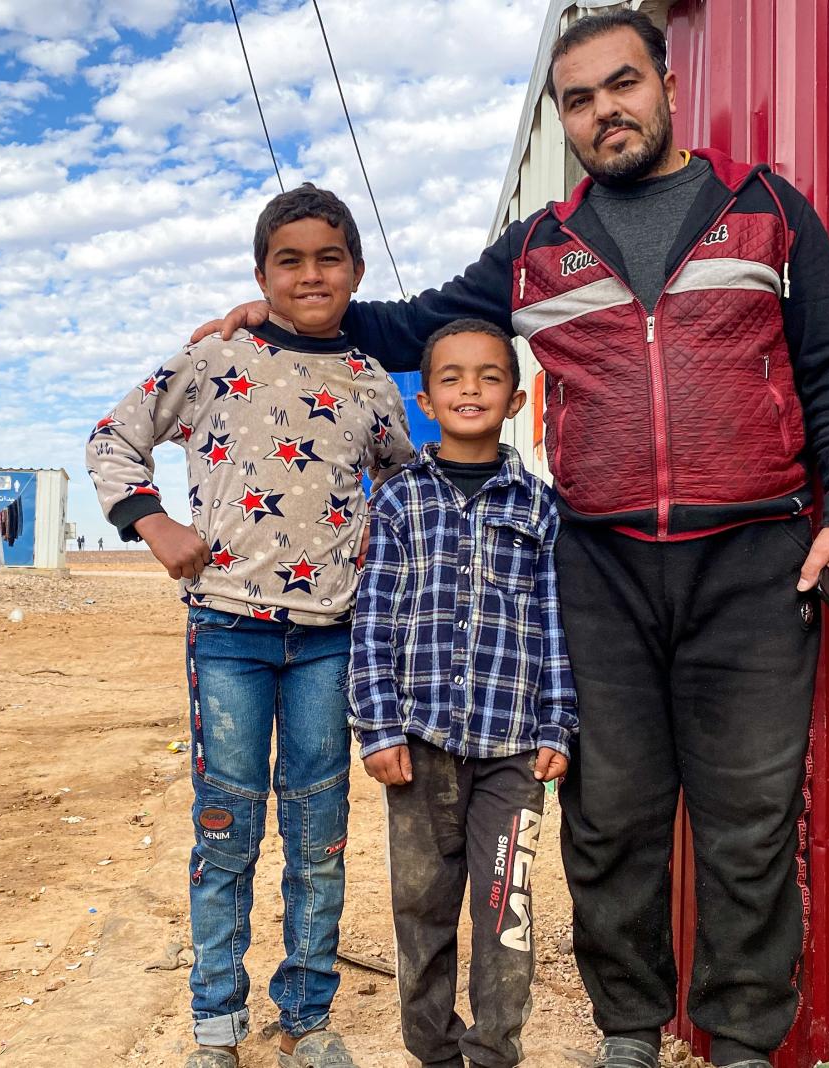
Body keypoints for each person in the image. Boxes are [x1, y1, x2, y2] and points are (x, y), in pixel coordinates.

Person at [198, 14, 829, 1067]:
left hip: (754, 559)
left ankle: (743, 1040)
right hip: (603, 565)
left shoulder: (765, 213)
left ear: (665, 84)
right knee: (611, 820)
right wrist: (301, 308)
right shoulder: (540, 249)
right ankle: (629, 1032)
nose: (603, 111)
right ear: (564, 117)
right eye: (578, 98)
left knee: (749, 818)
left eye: (622, 85)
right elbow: (418, 329)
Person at [88, 184, 415, 1068]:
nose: (311, 274)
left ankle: (307, 1017)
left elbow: (403, 485)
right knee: (226, 827)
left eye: (329, 258)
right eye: (289, 260)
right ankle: (216, 1024)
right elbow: (113, 437)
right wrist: (153, 524)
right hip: (228, 632)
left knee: (319, 833)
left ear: (355, 269)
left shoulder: (371, 383)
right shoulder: (214, 358)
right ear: (260, 272)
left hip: (330, 640)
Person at [349, 319, 576, 1068]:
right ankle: (434, 1052)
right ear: (426, 398)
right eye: (451, 377)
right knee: (421, 908)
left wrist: (558, 724)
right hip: (419, 748)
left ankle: (492, 1053)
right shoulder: (398, 501)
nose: (470, 388)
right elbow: (373, 617)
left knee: (504, 912)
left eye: (488, 377)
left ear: (515, 399)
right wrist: (378, 730)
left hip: (512, 749)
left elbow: (553, 624)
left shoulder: (540, 509)